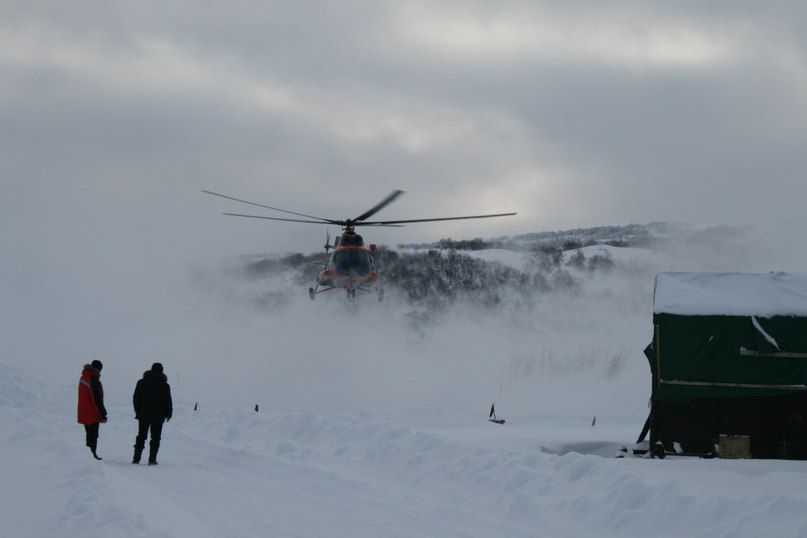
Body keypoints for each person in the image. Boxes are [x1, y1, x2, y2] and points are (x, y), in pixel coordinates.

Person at [132, 362, 173, 465]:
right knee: (155, 438)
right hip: (158, 416)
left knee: (141, 436)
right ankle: (152, 459)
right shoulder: (164, 385)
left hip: (143, 414)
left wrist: (138, 412)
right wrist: (168, 413)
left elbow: (136, 398)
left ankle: (136, 459)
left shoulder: (141, 382)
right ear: (162, 371)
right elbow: (168, 400)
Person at [77, 359, 107, 460]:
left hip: (84, 411)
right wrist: (103, 414)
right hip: (92, 413)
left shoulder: (83, 377)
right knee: (93, 436)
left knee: (89, 435)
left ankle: (88, 455)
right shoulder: (93, 380)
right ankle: (91, 456)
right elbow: (97, 400)